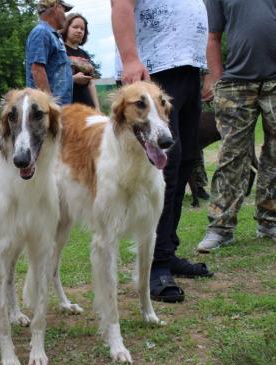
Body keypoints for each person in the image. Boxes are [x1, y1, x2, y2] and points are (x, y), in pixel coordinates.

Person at [111, 0, 214, 303]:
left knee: (185, 161)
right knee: (164, 168)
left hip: (187, 69)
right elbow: (121, 4)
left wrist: (204, 69)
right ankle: (153, 265)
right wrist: (130, 59)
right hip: (155, 70)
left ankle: (167, 251)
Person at [197, 0, 276, 252]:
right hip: (236, 85)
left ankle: (270, 221)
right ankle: (220, 228)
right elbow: (213, 36)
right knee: (232, 156)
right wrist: (218, 81)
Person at [26, 0, 74, 105]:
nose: (66, 17)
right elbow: (37, 70)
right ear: (56, 7)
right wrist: (49, 106)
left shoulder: (53, 35)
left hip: (60, 107)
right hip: (50, 109)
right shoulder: (41, 32)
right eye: (64, 10)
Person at [61, 13, 101, 111]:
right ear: (66, 28)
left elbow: (91, 83)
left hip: (87, 106)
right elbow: (55, 79)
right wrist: (73, 79)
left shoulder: (85, 54)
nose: (79, 31)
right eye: (75, 27)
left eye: (82, 29)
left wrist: (97, 107)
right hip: (68, 106)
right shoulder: (59, 51)